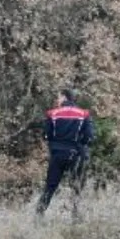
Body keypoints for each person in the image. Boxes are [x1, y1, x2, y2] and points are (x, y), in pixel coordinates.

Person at [36, 89, 94, 221]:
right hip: (76, 154)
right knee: (76, 187)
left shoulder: (52, 114)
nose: (57, 100)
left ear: (64, 97)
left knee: (50, 186)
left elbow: (46, 135)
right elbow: (89, 137)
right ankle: (76, 218)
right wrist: (79, 145)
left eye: (58, 97)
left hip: (57, 154)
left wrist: (54, 145)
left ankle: (38, 215)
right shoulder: (84, 114)